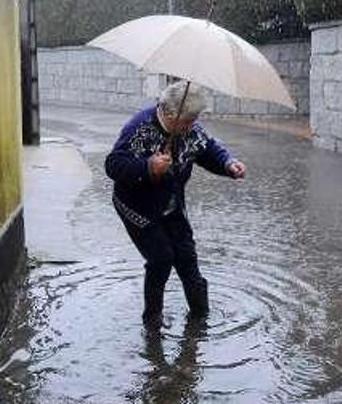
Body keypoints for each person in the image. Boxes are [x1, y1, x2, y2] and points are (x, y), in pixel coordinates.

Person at [105, 81, 246, 329]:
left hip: (171, 203)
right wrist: (148, 167)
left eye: (194, 121)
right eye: (187, 122)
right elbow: (113, 164)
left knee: (186, 257)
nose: (192, 126)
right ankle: (152, 322)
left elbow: (207, 149)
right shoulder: (140, 128)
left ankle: (201, 317)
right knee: (161, 258)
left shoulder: (188, 128)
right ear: (169, 114)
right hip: (137, 206)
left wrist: (227, 164)